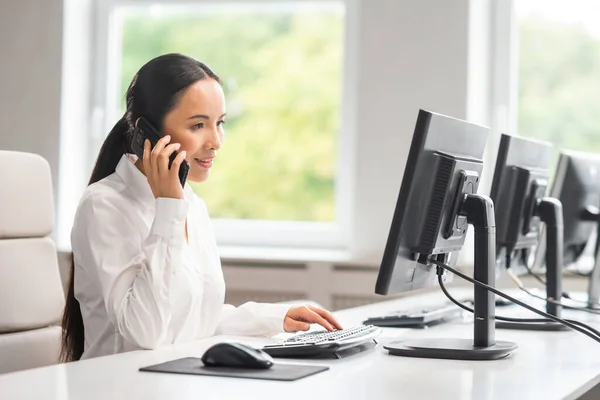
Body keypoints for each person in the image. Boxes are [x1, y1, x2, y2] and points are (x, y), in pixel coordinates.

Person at [60, 53, 342, 362]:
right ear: (147, 134)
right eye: (197, 125)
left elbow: (196, 321)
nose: (216, 141)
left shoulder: (191, 205)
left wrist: (276, 317)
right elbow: (146, 332)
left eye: (219, 123)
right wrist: (168, 209)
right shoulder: (104, 205)